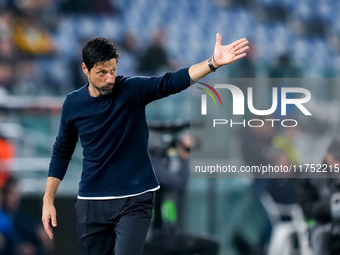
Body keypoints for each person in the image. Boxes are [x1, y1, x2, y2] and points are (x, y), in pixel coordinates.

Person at [41, 34, 249, 255]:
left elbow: (170, 82)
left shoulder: (131, 90)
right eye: (102, 72)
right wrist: (48, 199)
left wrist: (212, 63)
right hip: (92, 201)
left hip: (135, 198)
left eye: (113, 70)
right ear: (85, 69)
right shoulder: (73, 104)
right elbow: (62, 152)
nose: (110, 78)